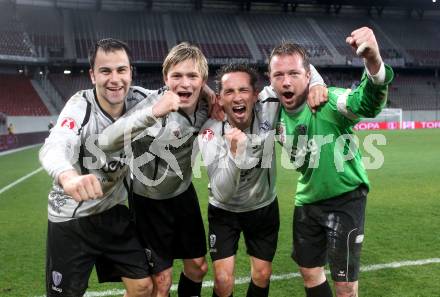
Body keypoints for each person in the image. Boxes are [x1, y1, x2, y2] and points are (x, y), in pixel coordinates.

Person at [268, 27, 394, 297]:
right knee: (310, 272)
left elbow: (365, 103)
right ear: (270, 80)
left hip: (346, 198)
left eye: (294, 74)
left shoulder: (329, 100)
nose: (286, 82)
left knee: (345, 287)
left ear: (308, 75)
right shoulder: (271, 112)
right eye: (279, 75)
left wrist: (373, 61)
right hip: (307, 199)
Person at [39, 38, 158, 297]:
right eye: (105, 71)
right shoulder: (79, 107)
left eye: (121, 70)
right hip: (71, 219)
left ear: (130, 72)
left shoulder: (141, 99)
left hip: (113, 212)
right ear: (93, 75)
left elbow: (179, 90)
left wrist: (204, 95)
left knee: (143, 288)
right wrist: (68, 177)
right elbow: (56, 144)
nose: (115, 79)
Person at [98, 42, 211, 297]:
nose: (185, 83)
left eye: (192, 76)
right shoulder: (143, 102)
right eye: (177, 76)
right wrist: (152, 113)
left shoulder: (205, 105)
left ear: (203, 79)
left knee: (198, 267)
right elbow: (107, 140)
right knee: (160, 282)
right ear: (165, 78)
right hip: (148, 201)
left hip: (183, 195)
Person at [198, 63, 279, 297]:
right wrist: (235, 155)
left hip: (263, 207)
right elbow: (222, 192)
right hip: (224, 211)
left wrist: (315, 83)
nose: (237, 97)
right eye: (229, 92)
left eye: (243, 90)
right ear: (219, 99)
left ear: (255, 95)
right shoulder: (210, 132)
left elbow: (296, 71)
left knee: (262, 275)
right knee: (223, 281)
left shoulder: (270, 106)